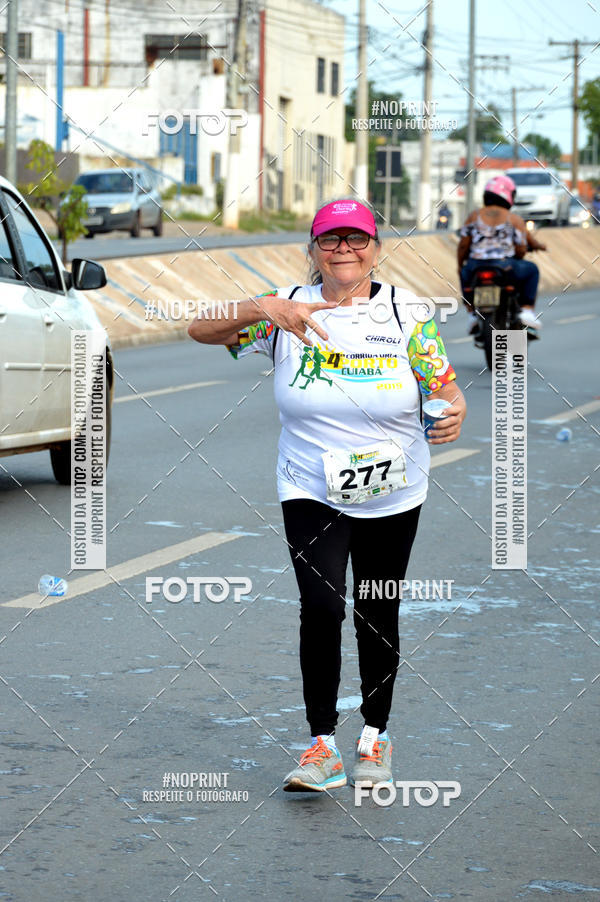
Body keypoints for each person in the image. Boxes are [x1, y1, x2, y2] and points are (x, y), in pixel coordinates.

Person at [188, 198, 466, 793]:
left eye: (356, 238)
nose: (344, 249)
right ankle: (321, 746)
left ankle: (375, 735)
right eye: (331, 239)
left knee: (376, 608)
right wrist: (263, 307)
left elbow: (442, 384)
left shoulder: (407, 313)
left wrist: (454, 407)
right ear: (313, 249)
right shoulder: (285, 308)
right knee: (320, 607)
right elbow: (200, 329)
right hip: (309, 484)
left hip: (392, 487)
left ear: (376, 249)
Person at [457, 174, 546, 335]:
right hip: (505, 266)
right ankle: (527, 310)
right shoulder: (514, 219)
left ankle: (472, 315)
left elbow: (463, 245)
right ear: (508, 195)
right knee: (532, 269)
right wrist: (519, 255)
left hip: (476, 266)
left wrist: (460, 266)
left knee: (464, 273)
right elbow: (521, 249)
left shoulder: (474, 216)